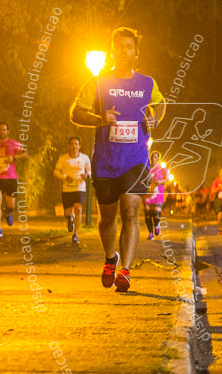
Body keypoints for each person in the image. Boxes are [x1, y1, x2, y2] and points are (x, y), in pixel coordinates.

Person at [70, 27, 164, 292]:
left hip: (136, 159)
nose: (124, 51)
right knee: (107, 218)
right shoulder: (99, 82)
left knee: (131, 209)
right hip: (106, 161)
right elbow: (76, 112)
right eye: (119, 46)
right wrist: (101, 119)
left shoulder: (147, 83)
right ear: (113, 50)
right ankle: (111, 258)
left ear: (136, 52)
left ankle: (126, 271)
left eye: (129, 46)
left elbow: (161, 103)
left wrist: (154, 117)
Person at [0, 122, 27, 238]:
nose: (2, 132)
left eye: (4, 130)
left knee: (11, 205)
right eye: (0, 129)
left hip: (10, 177)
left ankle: (7, 212)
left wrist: (14, 157)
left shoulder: (14, 144)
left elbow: (25, 154)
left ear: (8, 131)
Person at [53, 135, 91, 244]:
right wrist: (65, 177)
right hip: (67, 188)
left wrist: (86, 175)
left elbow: (89, 171)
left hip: (80, 187)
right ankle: (70, 218)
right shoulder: (63, 158)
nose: (74, 146)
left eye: (76, 144)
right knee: (66, 213)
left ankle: (76, 234)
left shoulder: (85, 158)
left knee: (78, 208)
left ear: (80, 146)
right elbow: (56, 172)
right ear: (69, 146)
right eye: (72, 144)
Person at [143, 150, 167, 241]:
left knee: (156, 214)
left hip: (158, 194)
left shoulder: (162, 169)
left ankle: (156, 225)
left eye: (155, 157)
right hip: (148, 194)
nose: (153, 158)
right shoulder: (146, 169)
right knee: (147, 215)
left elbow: (167, 179)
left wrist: (159, 182)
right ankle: (151, 233)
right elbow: (143, 178)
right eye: (152, 157)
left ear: (158, 159)